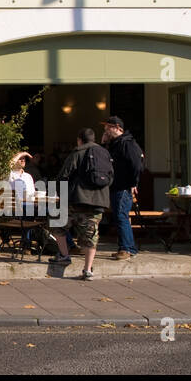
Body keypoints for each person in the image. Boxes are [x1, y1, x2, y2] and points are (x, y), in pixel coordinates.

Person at [49, 128, 112, 280]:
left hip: (76, 200)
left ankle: (64, 255)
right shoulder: (104, 153)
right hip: (98, 202)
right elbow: (111, 177)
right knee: (91, 235)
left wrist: (60, 195)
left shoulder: (77, 152)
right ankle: (87, 269)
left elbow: (63, 175)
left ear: (79, 140)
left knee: (57, 222)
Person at [102, 116, 144, 261]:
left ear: (118, 128)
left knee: (121, 216)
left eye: (108, 127)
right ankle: (127, 247)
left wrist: (133, 183)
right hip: (116, 186)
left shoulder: (127, 143)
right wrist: (104, 143)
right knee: (119, 216)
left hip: (123, 186)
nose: (106, 130)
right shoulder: (115, 144)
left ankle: (126, 248)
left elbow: (137, 165)